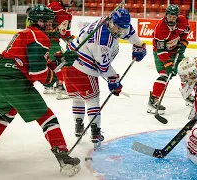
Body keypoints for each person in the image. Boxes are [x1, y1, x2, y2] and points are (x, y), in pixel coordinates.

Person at [0, 5, 81, 176]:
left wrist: (60, 60)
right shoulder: (39, 37)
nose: (50, 25)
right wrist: (53, 78)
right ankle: (63, 156)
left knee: (6, 111)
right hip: (12, 82)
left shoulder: (25, 34)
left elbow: (31, 63)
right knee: (48, 118)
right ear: (38, 22)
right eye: (46, 21)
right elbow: (38, 72)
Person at [62, 8, 146, 147]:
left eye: (121, 28)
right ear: (112, 22)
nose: (119, 31)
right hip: (82, 70)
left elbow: (128, 31)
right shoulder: (103, 41)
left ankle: (78, 126)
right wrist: (114, 81)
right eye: (117, 27)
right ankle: (95, 132)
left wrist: (138, 45)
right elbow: (103, 67)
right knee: (93, 100)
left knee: (78, 97)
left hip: (68, 63)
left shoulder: (107, 20)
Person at [147, 4, 190, 115]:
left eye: (173, 16)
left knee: (186, 71)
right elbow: (161, 52)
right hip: (161, 52)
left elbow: (185, 33)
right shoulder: (160, 28)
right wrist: (168, 64)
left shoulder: (183, 21)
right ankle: (153, 100)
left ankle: (187, 95)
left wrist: (183, 44)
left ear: (177, 16)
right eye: (169, 16)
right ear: (166, 15)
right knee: (165, 75)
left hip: (175, 49)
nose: (171, 18)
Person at [45, 0, 73, 100]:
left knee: (52, 62)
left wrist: (69, 39)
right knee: (60, 61)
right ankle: (60, 88)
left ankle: (48, 85)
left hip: (53, 40)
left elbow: (65, 31)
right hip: (48, 39)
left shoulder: (68, 12)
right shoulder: (54, 6)